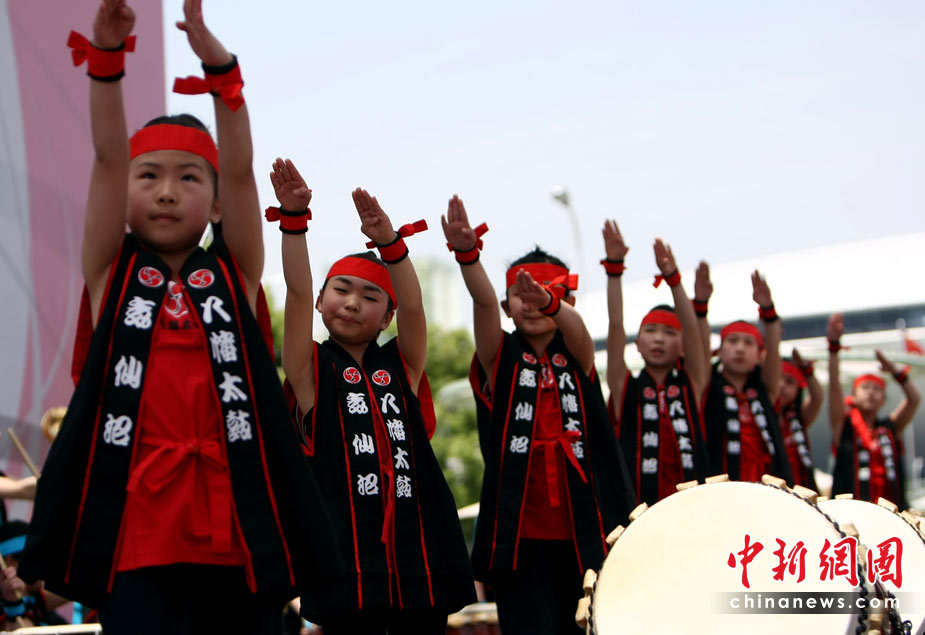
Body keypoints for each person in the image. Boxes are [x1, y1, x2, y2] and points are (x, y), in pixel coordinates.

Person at [18, 2, 342, 633]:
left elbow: (241, 173)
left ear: (217, 205)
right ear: (124, 193)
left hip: (237, 530)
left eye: (189, 178)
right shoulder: (111, 273)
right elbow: (107, 158)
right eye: (149, 176)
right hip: (135, 534)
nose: (167, 191)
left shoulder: (233, 273)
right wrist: (106, 62)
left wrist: (222, 73)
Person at [271, 158, 475, 633]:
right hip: (345, 559)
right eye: (341, 290)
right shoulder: (309, 368)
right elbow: (296, 293)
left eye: (369, 297)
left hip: (419, 550)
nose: (352, 303)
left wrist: (391, 245)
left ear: (386, 318)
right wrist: (294, 221)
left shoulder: (402, 364)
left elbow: (415, 308)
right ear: (322, 301)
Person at [442, 198, 634, 635]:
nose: (530, 302)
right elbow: (482, 304)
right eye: (520, 294)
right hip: (519, 538)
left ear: (565, 299)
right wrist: (467, 256)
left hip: (583, 534)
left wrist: (552, 304)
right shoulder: (500, 355)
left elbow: (582, 329)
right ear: (508, 305)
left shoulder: (576, 353)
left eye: (544, 292)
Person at [602, 221, 710, 506]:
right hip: (636, 514)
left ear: (683, 346)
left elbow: (692, 329)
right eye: (650, 331)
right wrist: (614, 269)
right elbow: (615, 326)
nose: (659, 339)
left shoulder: (692, 383)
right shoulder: (624, 386)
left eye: (670, 333)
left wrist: (673, 279)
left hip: (693, 509)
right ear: (637, 343)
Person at [700, 269, 794, 485]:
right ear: (718, 351)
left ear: (760, 354)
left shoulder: (765, 387)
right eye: (732, 341)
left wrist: (768, 310)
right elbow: (699, 345)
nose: (740, 349)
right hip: (720, 490)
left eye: (748, 343)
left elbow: (774, 347)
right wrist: (701, 304)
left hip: (766, 488)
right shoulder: (707, 385)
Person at [827, 313, 920, 509]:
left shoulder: (890, 427)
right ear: (853, 396)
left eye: (877, 389)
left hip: (891, 514)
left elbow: (914, 399)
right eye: (865, 387)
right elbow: (834, 385)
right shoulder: (843, 425)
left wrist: (895, 371)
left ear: (883, 399)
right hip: (850, 515)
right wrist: (833, 346)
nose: (871, 393)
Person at [0, 521, 70, 629]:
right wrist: (13, 606)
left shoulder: (33, 597)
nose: (43, 567)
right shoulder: (3, 608)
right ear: (10, 563)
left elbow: (77, 588)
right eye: (37, 559)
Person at [777, 350, 822, 491]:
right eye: (778, 378)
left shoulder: (798, 418)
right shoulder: (752, 413)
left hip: (799, 491)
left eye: (790, 382)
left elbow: (817, 398)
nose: (782, 385)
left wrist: (807, 370)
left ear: (798, 390)